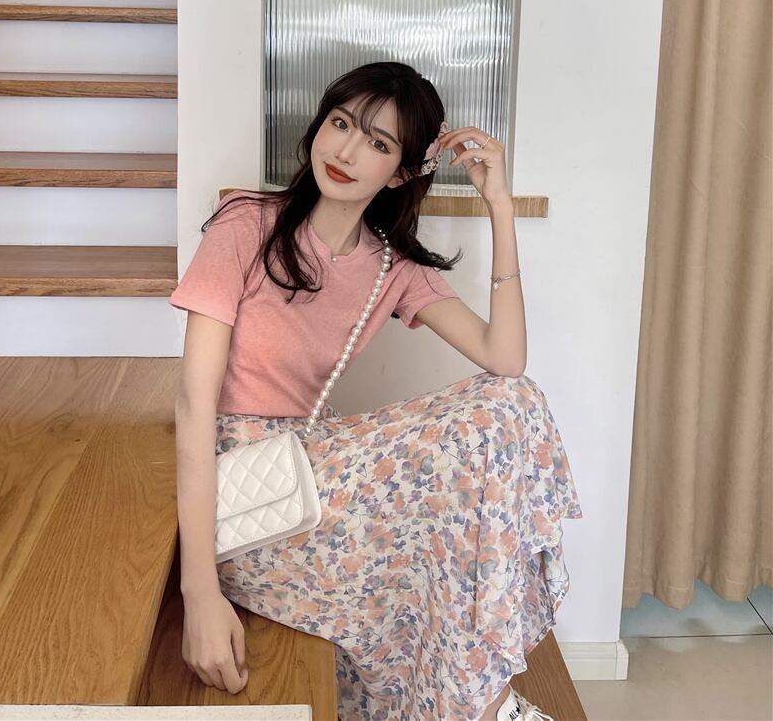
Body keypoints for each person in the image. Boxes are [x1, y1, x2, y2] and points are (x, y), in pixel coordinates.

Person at [170, 61, 583, 721]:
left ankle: (481, 700)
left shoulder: (392, 265)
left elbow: (505, 360)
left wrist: (500, 207)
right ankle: (490, 705)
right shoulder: (245, 224)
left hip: (315, 468)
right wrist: (199, 592)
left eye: (378, 142)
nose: (346, 151)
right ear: (319, 126)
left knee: (510, 402)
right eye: (341, 124)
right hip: (245, 492)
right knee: (455, 482)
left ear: (399, 173)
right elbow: (194, 403)